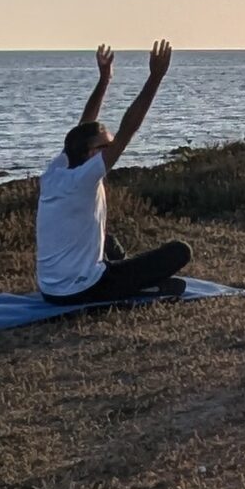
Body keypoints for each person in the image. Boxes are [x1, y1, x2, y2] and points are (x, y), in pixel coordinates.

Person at [37, 42, 193, 304]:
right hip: (81, 290)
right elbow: (128, 129)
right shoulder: (83, 179)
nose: (111, 150)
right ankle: (142, 288)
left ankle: (131, 280)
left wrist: (105, 80)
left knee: (109, 243)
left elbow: (84, 127)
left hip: (49, 290)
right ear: (90, 153)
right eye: (105, 147)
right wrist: (155, 78)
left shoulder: (56, 171)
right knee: (179, 252)